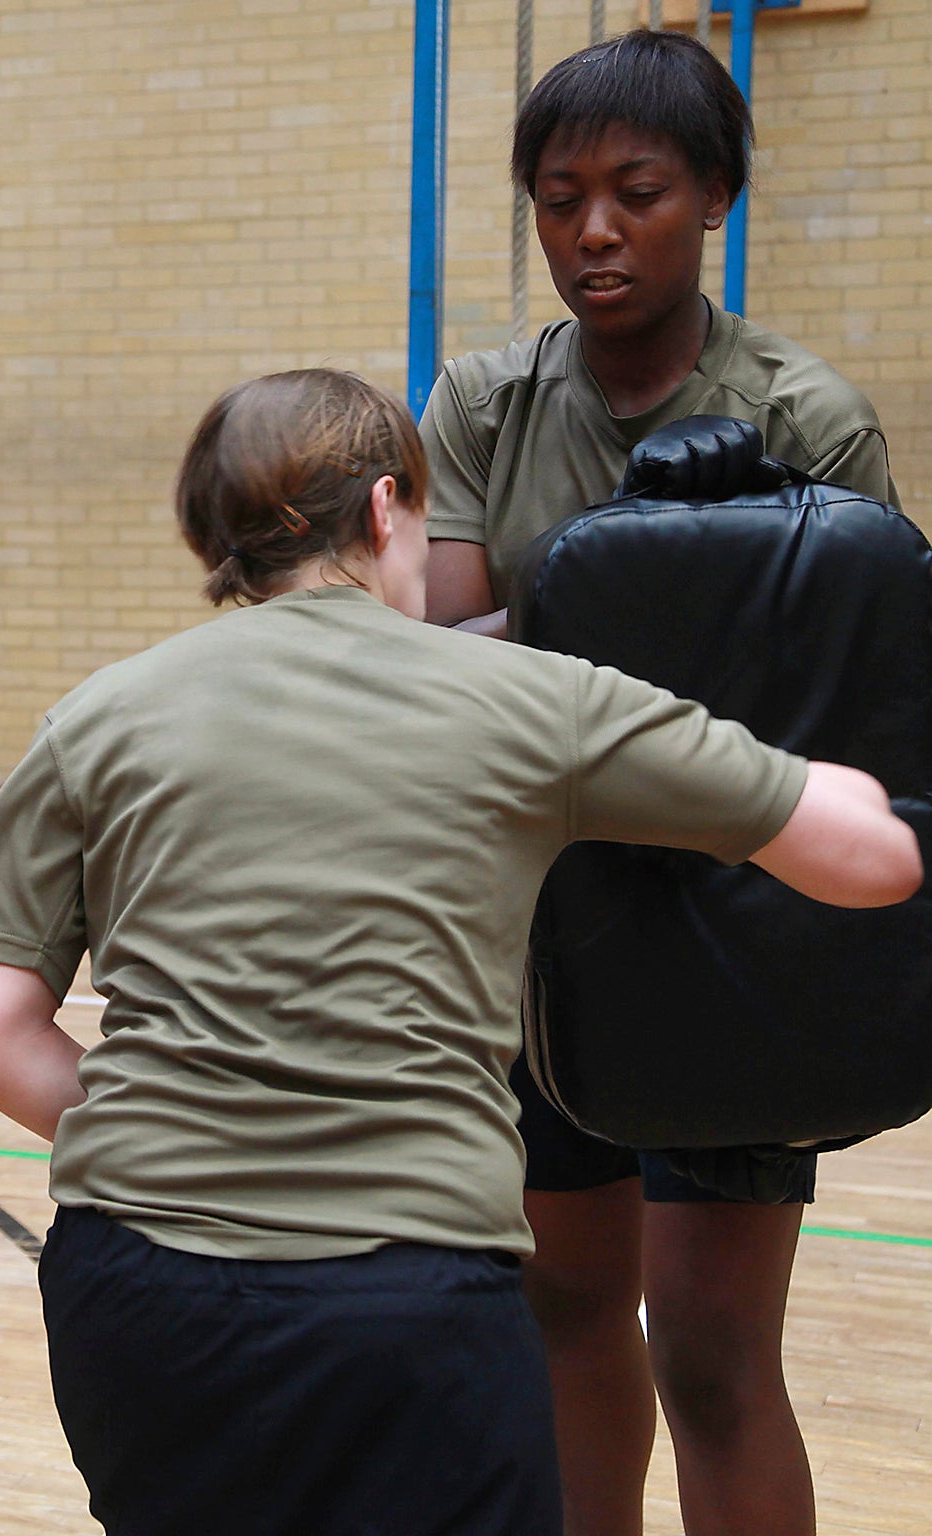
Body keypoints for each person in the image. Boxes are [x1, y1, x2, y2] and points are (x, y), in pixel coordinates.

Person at [0, 368, 920, 1536]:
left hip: (135, 1293)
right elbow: (869, 857)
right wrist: (741, 592)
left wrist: (201, 1127)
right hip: (402, 1303)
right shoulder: (526, 699)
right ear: (386, 507)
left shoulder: (95, 714)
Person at [420, 31, 896, 1536]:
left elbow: (861, 702)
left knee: (711, 1353)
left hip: (740, 932)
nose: (595, 232)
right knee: (567, 1319)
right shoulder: (488, 404)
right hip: (548, 929)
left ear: (716, 199)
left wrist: (565, 637)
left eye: (637, 192)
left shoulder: (806, 417)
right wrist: (625, 625)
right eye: (560, 199)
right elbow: (436, 660)